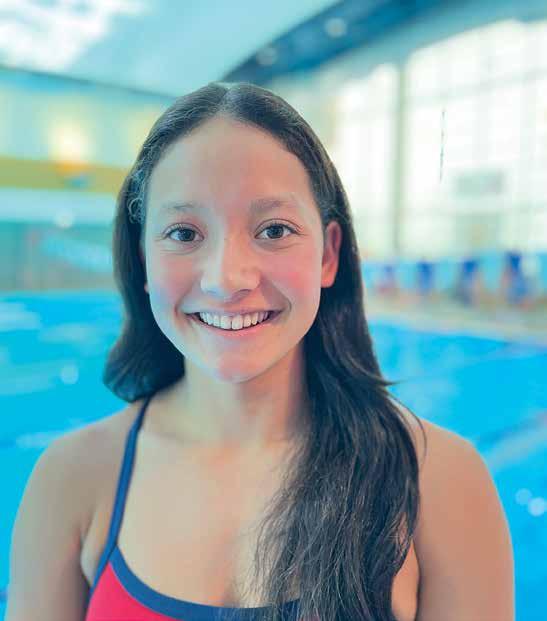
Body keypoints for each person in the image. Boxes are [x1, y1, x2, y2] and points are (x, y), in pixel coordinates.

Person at [6, 82, 514, 621]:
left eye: (274, 229)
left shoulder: (438, 481)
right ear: (144, 260)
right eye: (184, 233)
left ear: (328, 255)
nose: (227, 280)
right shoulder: (73, 478)